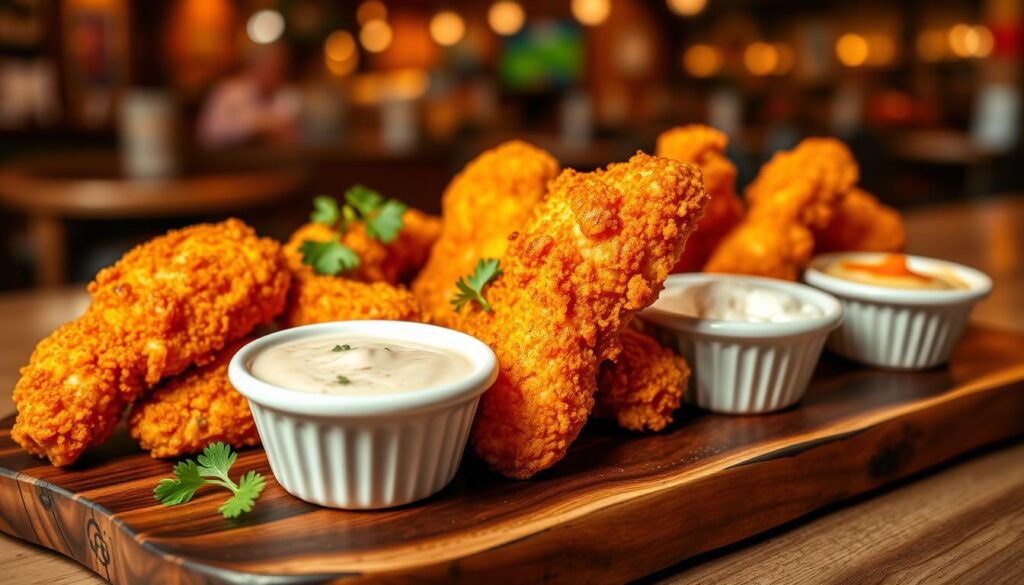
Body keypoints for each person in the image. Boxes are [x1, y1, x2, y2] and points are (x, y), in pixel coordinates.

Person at [197, 43, 300, 149]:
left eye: (278, 69)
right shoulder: (228, 93)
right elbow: (210, 132)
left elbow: (291, 134)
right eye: (268, 66)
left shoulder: (286, 94)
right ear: (253, 66)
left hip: (272, 160)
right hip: (229, 160)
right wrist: (256, 126)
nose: (274, 74)